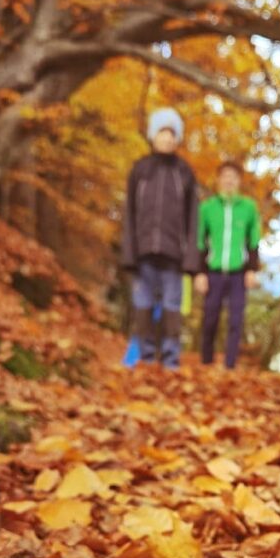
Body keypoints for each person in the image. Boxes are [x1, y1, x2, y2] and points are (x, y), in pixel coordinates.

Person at [121, 107, 201, 369]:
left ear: (177, 138)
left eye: (172, 134)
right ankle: (143, 356)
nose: (167, 139)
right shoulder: (140, 170)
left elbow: (193, 219)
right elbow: (130, 214)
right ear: (153, 136)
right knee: (142, 305)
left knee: (171, 307)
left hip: (174, 255)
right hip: (143, 252)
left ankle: (170, 358)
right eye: (162, 133)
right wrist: (129, 252)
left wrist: (192, 258)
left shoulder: (184, 173)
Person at [194, 161, 261, 369]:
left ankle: (230, 365)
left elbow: (253, 241)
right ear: (219, 179)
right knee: (210, 318)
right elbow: (200, 241)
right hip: (213, 271)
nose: (229, 180)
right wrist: (200, 273)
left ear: (239, 180)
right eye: (225, 176)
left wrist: (251, 270)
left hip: (238, 273)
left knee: (235, 319)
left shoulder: (249, 207)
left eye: (233, 176)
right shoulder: (207, 207)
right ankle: (206, 362)